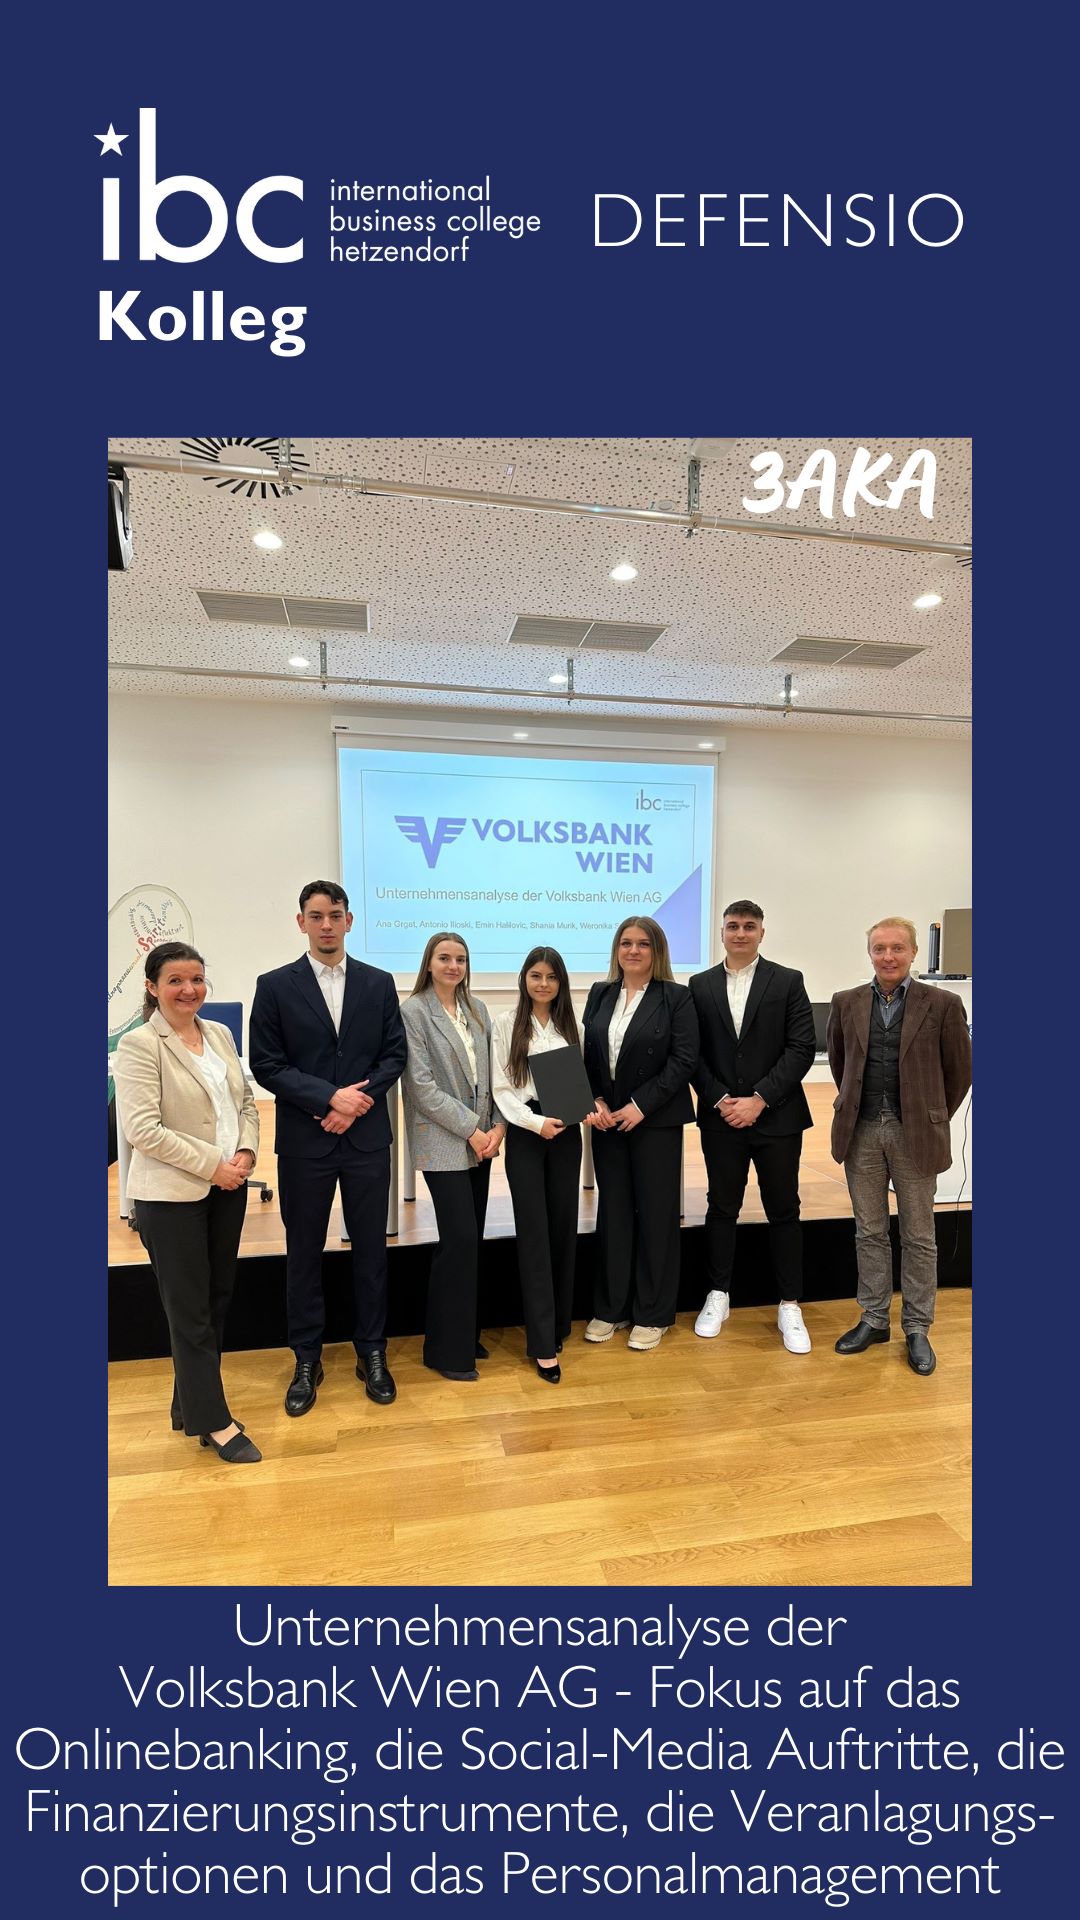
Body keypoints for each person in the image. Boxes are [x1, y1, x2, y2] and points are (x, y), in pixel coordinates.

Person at [249, 882, 407, 1416]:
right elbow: (266, 1063)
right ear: (301, 922)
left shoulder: (379, 983)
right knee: (303, 1255)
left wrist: (353, 1104)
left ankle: (372, 1351)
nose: (326, 925)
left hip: (365, 1139)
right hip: (305, 1143)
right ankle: (306, 1358)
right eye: (316, 916)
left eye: (335, 915)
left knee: (371, 1252)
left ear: (349, 921)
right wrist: (328, 1099)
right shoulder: (274, 986)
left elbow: (394, 1056)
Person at [113, 942, 261, 1464]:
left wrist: (246, 1151)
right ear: (152, 987)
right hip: (171, 1196)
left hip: (228, 1187)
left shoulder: (219, 1033)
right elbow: (142, 1130)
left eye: (196, 979)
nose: (189, 989)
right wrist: (212, 1164)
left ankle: (190, 1405)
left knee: (216, 1299)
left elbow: (245, 1102)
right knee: (189, 1311)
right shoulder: (138, 1044)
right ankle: (215, 1422)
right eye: (175, 980)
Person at [827, 917, 972, 1375]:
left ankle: (917, 1326)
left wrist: (931, 1116)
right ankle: (873, 1318)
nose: (888, 956)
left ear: (913, 953)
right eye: (879, 948)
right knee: (869, 1231)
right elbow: (839, 1063)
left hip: (916, 1135)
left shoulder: (943, 1004)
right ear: (869, 953)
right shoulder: (846, 1002)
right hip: (862, 1131)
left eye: (897, 948)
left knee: (919, 1235)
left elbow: (959, 1072)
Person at [689, 899, 816, 1354]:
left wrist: (760, 1099)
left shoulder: (788, 980)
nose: (740, 933)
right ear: (721, 932)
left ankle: (790, 1304)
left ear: (762, 932)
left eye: (749, 926)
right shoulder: (699, 985)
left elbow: (801, 1048)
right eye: (732, 926)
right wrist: (723, 1100)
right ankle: (718, 1294)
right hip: (721, 1117)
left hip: (777, 1117)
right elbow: (692, 1053)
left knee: (784, 1208)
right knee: (722, 1207)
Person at [581, 916, 698, 1350]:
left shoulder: (676, 997)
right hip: (607, 1121)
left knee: (655, 1215)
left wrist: (640, 1106)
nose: (633, 950)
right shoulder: (600, 992)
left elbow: (684, 1059)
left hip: (655, 1121)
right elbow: (589, 1054)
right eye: (626, 943)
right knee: (613, 1213)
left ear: (657, 951)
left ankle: (653, 1312)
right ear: (616, 949)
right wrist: (594, 1099)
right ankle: (611, 1308)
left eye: (643, 944)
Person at [401, 932, 504, 1381]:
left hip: (482, 1139)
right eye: (444, 958)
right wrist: (474, 1130)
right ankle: (445, 1351)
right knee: (458, 1240)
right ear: (429, 963)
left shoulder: (477, 1009)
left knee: (470, 1241)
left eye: (460, 959)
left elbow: (493, 1075)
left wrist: (496, 1127)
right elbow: (421, 1087)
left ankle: (464, 1334)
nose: (453, 966)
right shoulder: (413, 1012)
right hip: (444, 1140)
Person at [492, 947, 583, 1383]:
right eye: (535, 976)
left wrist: (581, 1109)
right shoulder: (506, 1023)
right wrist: (534, 1123)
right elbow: (501, 1089)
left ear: (560, 982)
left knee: (563, 1228)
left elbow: (581, 1081)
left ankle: (559, 1324)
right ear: (524, 979)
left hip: (567, 1132)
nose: (543, 984)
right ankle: (543, 1344)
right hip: (528, 1132)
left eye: (551, 977)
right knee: (534, 1233)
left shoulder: (571, 1025)